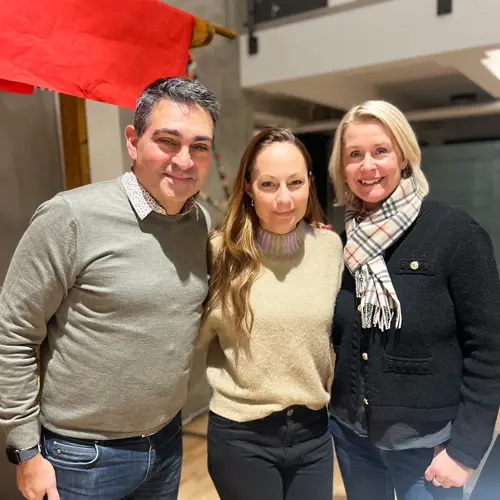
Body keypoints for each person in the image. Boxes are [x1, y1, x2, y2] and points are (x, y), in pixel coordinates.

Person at [0, 76, 220, 500]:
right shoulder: (71, 216)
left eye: (199, 146)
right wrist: (25, 450)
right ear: (133, 141)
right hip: (81, 458)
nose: (184, 160)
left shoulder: (199, 224)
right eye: (168, 141)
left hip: (166, 443)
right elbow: (12, 332)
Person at [327, 100, 500, 500]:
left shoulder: (455, 234)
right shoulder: (343, 243)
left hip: (429, 449)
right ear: (343, 167)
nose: (367, 166)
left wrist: (465, 451)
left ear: (403, 156)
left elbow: (488, 350)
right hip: (354, 437)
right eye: (355, 155)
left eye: (380, 151)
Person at [198, 127, 344, 500]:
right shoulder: (220, 253)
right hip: (242, 435)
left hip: (313, 433)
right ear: (248, 187)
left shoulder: (329, 248)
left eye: (295, 183)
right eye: (268, 184)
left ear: (310, 182)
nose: (284, 199)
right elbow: (189, 335)